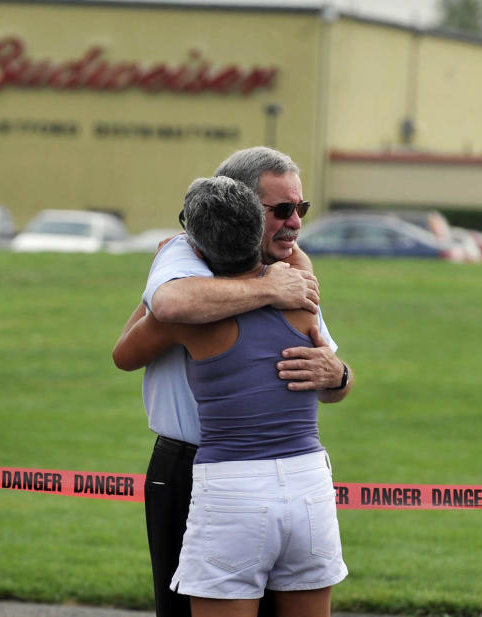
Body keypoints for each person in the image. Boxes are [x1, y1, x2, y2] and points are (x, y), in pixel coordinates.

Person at [114, 146, 351, 617]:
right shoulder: (186, 256)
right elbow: (174, 303)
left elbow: (334, 385)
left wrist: (338, 373)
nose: (296, 222)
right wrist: (269, 286)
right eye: (282, 209)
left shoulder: (295, 274)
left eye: (301, 208)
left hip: (244, 478)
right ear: (241, 204)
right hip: (197, 466)